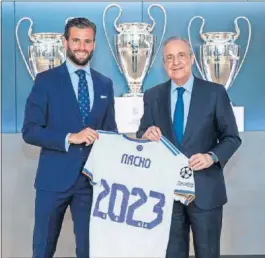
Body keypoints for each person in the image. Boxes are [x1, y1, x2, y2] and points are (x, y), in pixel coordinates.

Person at [136, 36, 241, 258]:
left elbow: (232, 137)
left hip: (205, 192)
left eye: (181, 55)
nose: (176, 62)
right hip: (166, 194)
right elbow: (142, 132)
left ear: (192, 59)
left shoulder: (215, 93)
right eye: (169, 58)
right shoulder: (153, 95)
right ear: (164, 64)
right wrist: (145, 134)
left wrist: (211, 156)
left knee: (208, 253)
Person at [22, 17, 117, 258]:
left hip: (91, 183)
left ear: (94, 45)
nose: (81, 47)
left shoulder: (105, 84)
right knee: (43, 249)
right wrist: (69, 137)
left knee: (90, 250)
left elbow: (110, 133)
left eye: (87, 41)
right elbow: (30, 130)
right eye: (76, 40)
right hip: (52, 182)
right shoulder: (45, 81)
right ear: (65, 42)